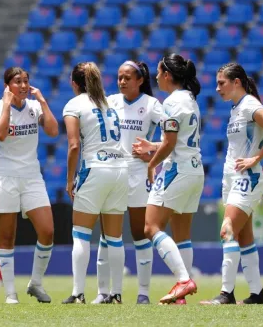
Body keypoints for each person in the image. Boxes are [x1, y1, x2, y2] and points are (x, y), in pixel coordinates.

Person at [201, 63, 263, 305]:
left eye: (221, 82)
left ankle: (226, 293)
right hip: (232, 178)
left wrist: (258, 159)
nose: (217, 87)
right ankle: (257, 295)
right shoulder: (236, 109)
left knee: (228, 229)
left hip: (247, 178)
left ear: (236, 83)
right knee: (244, 237)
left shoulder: (251, 105)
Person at [133, 54, 203, 304]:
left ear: (168, 76)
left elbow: (171, 143)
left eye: (159, 72)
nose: (156, 77)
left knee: (150, 227)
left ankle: (184, 281)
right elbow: (177, 139)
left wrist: (152, 163)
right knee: (182, 234)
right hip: (195, 170)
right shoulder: (190, 99)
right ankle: (181, 296)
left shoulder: (172, 103)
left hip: (177, 170)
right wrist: (153, 146)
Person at [93, 60, 163, 305]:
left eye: (127, 78)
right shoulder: (110, 101)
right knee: (107, 234)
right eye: (119, 77)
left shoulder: (152, 104)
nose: (122, 82)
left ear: (140, 80)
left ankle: (143, 293)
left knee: (139, 233)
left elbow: (173, 135)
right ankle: (104, 292)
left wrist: (152, 151)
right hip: (112, 171)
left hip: (138, 172)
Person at [0, 67, 58, 304]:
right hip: (4, 175)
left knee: (47, 231)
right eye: (17, 81)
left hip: (31, 176)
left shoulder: (35, 107)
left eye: (26, 81)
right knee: (7, 237)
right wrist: (7, 105)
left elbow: (52, 130)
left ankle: (35, 283)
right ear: (7, 85)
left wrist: (42, 100)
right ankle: (10, 294)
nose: (23, 85)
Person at [62, 62, 128, 304]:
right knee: (115, 237)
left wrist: (70, 180)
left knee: (80, 234)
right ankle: (117, 294)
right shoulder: (109, 102)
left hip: (95, 168)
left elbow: (73, 145)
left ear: (74, 83)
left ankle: (78, 293)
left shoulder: (74, 104)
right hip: (120, 169)